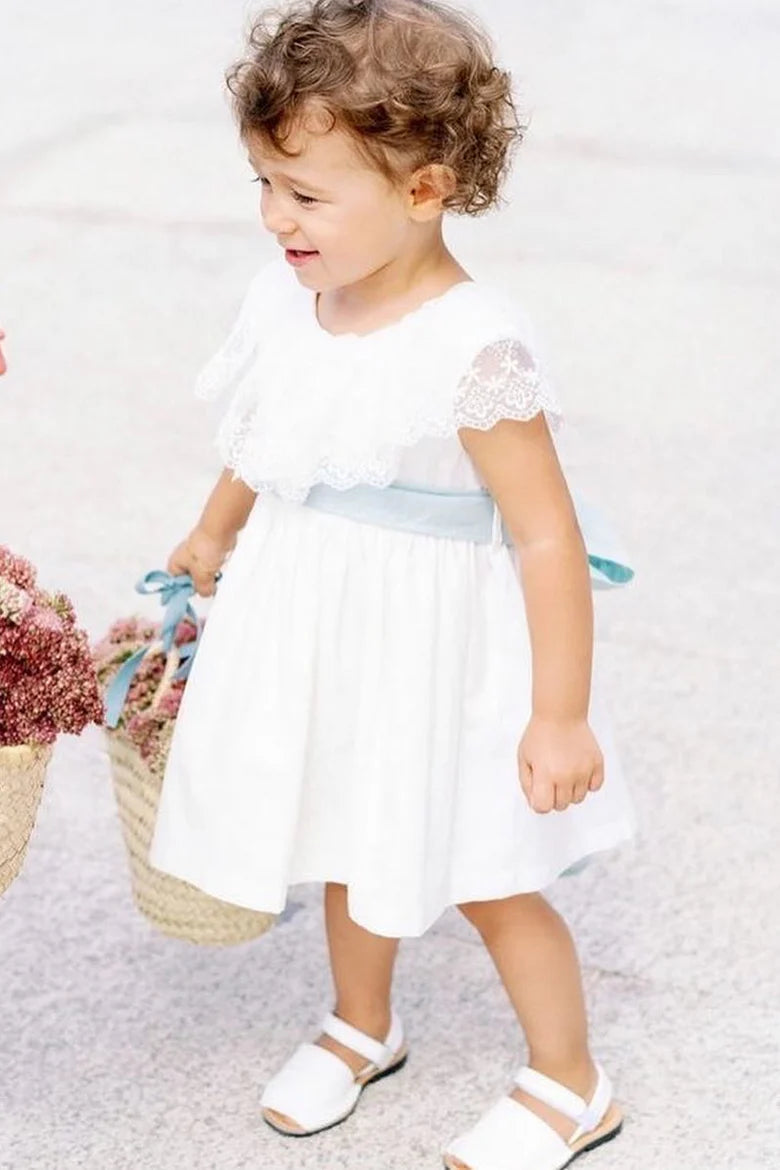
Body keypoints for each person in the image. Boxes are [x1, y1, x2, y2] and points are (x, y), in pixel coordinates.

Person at [148, 2, 637, 1166]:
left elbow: (547, 538)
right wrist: (211, 532)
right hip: (317, 624)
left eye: (306, 195)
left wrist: (558, 712)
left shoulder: (475, 348)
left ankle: (571, 1082)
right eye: (263, 183)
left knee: (487, 868)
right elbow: (265, 435)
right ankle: (361, 1022)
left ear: (422, 191)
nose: (276, 218)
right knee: (343, 829)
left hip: (441, 652)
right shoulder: (291, 293)